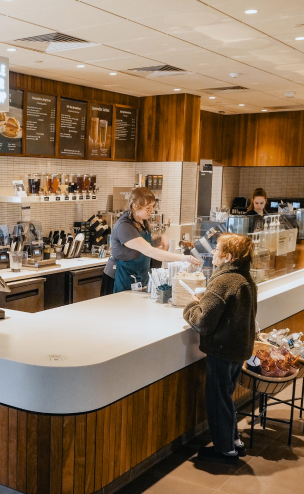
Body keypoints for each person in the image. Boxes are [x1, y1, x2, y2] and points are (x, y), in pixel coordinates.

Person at [183, 233, 258, 465]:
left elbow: (202, 322)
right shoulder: (244, 278)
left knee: (217, 399)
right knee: (226, 397)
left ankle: (224, 449)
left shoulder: (224, 281)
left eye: (217, 249)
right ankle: (234, 440)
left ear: (228, 256)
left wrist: (192, 305)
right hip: (239, 349)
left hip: (222, 350)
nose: (213, 252)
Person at [102, 187, 200, 295]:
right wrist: (183, 258)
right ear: (135, 207)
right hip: (118, 280)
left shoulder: (141, 221)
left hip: (136, 279)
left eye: (153, 207)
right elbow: (149, 250)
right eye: (148, 208)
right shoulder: (125, 226)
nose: (152, 211)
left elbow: (141, 243)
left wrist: (159, 239)